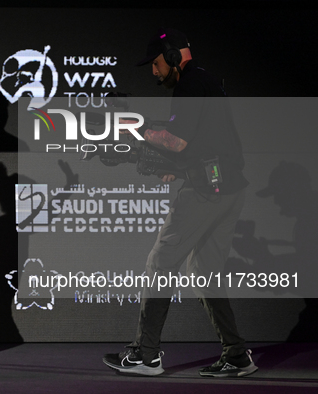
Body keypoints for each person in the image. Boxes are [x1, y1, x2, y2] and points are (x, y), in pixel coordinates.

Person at [102, 28, 257, 378]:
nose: (154, 72)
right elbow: (204, 142)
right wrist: (181, 168)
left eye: (156, 64)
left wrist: (137, 129)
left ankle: (146, 355)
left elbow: (177, 141)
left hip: (207, 191)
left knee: (161, 261)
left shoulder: (189, 84)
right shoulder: (207, 80)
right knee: (204, 273)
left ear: (173, 57)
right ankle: (236, 355)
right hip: (228, 187)